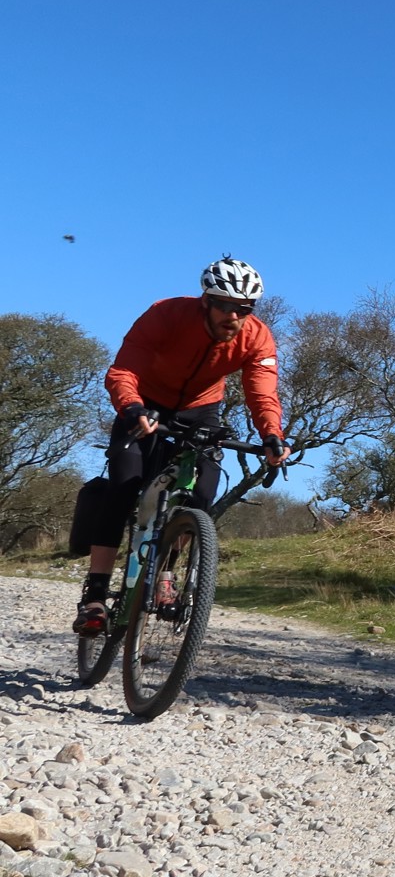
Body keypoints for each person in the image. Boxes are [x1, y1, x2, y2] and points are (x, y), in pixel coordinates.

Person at [74, 258, 290, 633]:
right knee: (123, 489)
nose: (233, 316)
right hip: (146, 403)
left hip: (200, 411)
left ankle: (165, 576)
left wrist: (272, 435)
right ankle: (94, 595)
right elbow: (123, 371)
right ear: (205, 300)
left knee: (201, 494)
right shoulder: (166, 315)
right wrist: (131, 407)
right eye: (225, 306)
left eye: (243, 309)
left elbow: (263, 393)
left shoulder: (256, 337)